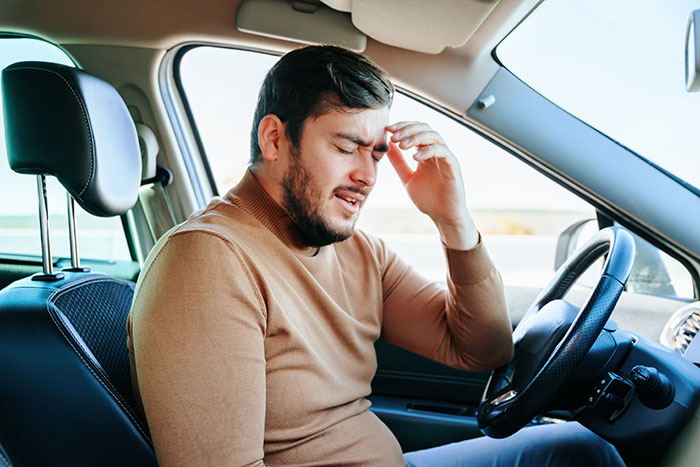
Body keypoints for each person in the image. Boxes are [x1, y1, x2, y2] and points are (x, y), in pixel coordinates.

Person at [126, 45, 624, 466]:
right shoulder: (208, 261)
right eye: (347, 147)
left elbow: (483, 350)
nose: (368, 176)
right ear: (275, 138)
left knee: (575, 448)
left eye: (377, 153)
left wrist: (454, 222)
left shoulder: (357, 250)